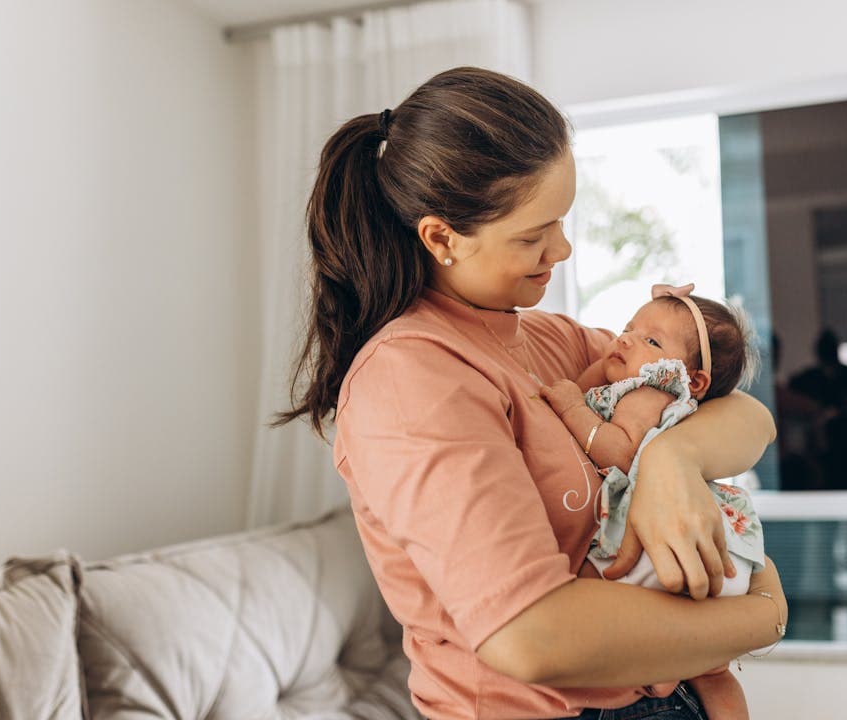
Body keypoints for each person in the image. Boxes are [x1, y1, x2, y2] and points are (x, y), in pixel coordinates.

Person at [274, 67, 786, 720]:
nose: (563, 248)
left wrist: (672, 460)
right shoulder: (410, 378)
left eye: (562, 221)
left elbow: (745, 414)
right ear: (441, 238)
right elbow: (530, 636)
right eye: (533, 234)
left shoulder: (550, 339)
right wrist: (762, 616)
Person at [540, 292, 766, 720]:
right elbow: (589, 383)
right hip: (711, 551)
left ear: (693, 381)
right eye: (628, 328)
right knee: (714, 672)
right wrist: (617, 354)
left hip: (659, 547)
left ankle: (661, 671)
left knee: (584, 587)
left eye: (652, 341)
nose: (626, 339)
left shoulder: (649, 392)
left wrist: (570, 406)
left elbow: (621, 451)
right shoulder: (637, 385)